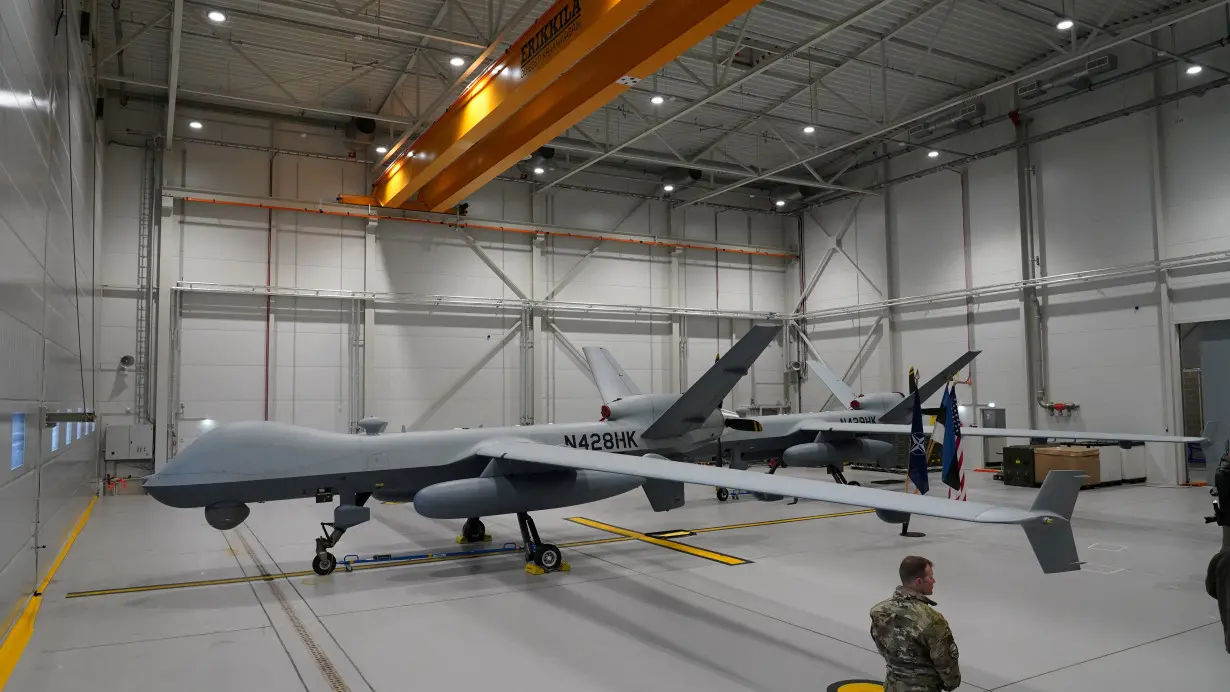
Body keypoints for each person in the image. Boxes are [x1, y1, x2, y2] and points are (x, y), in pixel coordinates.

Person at [869, 556, 961, 692]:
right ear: (919, 581)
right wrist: (949, 684)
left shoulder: (878, 611)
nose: (933, 581)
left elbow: (883, 649)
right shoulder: (932, 620)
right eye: (930, 577)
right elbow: (947, 666)